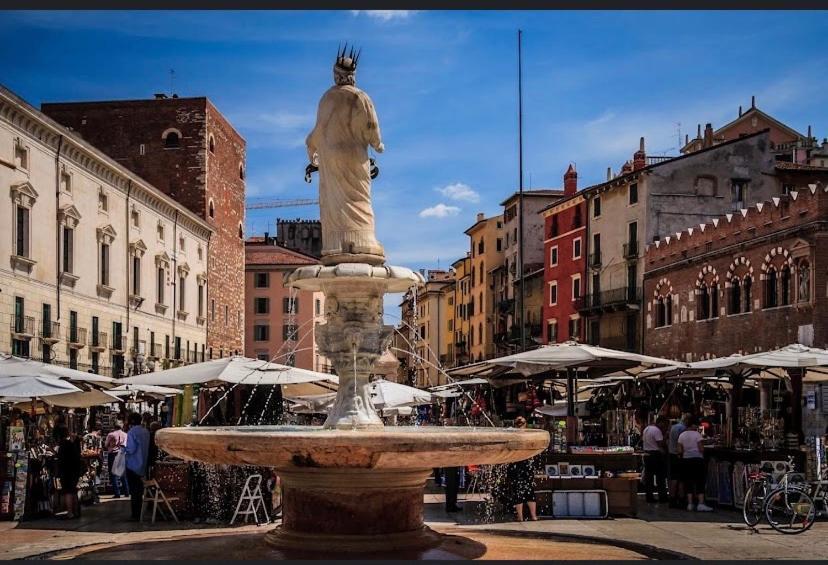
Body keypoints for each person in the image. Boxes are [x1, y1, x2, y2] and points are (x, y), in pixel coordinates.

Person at [677, 415, 713, 512]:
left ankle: (690, 503)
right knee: (699, 481)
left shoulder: (682, 435)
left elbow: (679, 450)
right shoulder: (697, 435)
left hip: (686, 460)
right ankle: (700, 503)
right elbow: (701, 448)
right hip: (697, 460)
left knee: (688, 481)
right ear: (693, 425)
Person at [506, 417, 538, 521]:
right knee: (529, 490)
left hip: (516, 464)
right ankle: (533, 516)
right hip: (527, 464)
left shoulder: (512, 435)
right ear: (525, 424)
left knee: (517, 491)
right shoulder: (530, 435)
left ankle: (520, 516)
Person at [123, 412, 150, 521]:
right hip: (143, 465)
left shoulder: (132, 432)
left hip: (133, 465)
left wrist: (123, 448)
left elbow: (131, 449)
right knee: (139, 492)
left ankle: (135, 515)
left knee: (134, 492)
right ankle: (138, 513)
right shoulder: (146, 432)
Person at [54, 425, 82, 519]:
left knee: (68, 492)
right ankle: (75, 511)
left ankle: (70, 512)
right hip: (74, 471)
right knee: (73, 491)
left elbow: (61, 458)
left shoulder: (63, 445)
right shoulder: (72, 444)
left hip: (66, 471)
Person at [642, 416, 669, 503]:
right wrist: (665, 435)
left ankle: (649, 497)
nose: (664, 426)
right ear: (660, 422)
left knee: (649, 477)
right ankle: (662, 496)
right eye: (664, 424)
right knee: (660, 477)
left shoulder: (647, 429)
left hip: (647, 454)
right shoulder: (657, 431)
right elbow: (660, 444)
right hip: (656, 454)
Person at [667, 413, 690, 508]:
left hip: (672, 454)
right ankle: (681, 499)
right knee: (681, 479)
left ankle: (672, 499)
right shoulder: (682, 429)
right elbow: (682, 443)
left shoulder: (673, 427)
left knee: (673, 478)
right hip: (679, 455)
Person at [105, 421, 130, 498]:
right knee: (123, 474)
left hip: (113, 454)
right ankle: (126, 492)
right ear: (121, 427)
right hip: (122, 454)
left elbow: (106, 444)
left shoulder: (111, 434)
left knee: (113, 474)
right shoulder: (125, 435)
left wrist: (111, 445)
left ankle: (117, 493)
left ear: (114, 426)